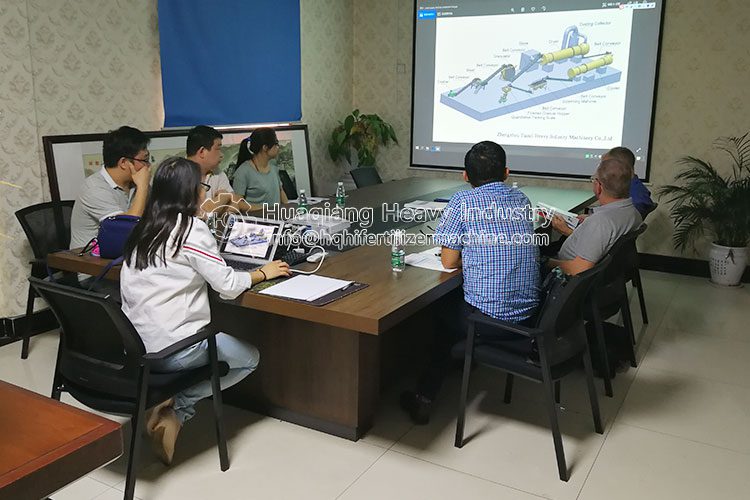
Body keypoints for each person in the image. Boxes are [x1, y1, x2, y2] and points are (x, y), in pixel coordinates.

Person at [120, 156, 291, 465]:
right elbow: (227, 285)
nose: (205, 191)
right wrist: (261, 273)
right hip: (174, 350)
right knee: (249, 359)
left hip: (138, 347)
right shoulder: (191, 230)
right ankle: (178, 410)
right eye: (201, 186)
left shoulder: (142, 227)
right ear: (190, 191)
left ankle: (163, 404)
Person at [400, 141, 540, 425]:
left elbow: (449, 261)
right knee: (455, 301)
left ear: (465, 175)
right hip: (530, 315)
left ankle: (425, 396)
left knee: (439, 307)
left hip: (490, 321)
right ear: (506, 173)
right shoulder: (521, 199)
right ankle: (460, 360)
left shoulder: (463, 202)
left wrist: (474, 254)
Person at [546, 157, 642, 275]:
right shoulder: (633, 212)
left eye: (593, 180)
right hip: (607, 273)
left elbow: (578, 270)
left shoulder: (600, 222)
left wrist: (544, 262)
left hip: (564, 276)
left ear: (599, 186)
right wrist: (588, 222)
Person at [70, 126, 151, 249]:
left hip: (126, 251)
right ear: (123, 163)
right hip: (90, 257)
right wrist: (143, 187)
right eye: (144, 160)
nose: (148, 166)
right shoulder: (94, 189)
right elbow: (126, 229)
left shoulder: (135, 183)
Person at [185, 125, 251, 213]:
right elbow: (200, 213)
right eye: (218, 149)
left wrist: (213, 206)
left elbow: (234, 207)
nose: (221, 155)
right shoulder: (177, 175)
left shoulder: (218, 173)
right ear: (202, 151)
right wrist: (224, 197)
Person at [232, 128, 288, 206]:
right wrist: (263, 209)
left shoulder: (273, 168)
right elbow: (238, 203)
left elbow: (281, 191)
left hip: (276, 213)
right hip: (257, 214)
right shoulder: (243, 171)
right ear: (265, 147)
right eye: (276, 144)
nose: (278, 147)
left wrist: (288, 208)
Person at [604, 146, 655, 218]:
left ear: (619, 167)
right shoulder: (632, 187)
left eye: (606, 166)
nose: (603, 170)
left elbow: (619, 219)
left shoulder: (637, 200)